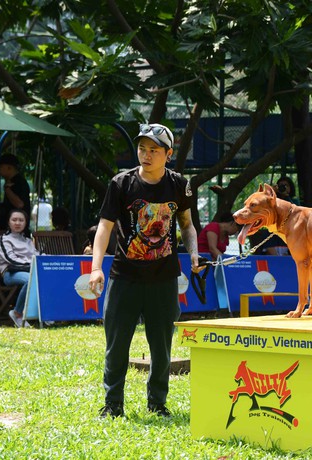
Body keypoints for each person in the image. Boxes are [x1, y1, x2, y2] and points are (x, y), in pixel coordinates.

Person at [88, 123, 202, 419]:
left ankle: (157, 403)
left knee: (162, 348)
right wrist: (96, 267)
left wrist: (193, 253)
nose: (146, 155)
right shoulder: (121, 184)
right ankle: (113, 404)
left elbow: (187, 225)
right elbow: (104, 227)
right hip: (124, 277)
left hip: (164, 279)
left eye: (153, 150)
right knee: (116, 345)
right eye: (142, 148)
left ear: (168, 154)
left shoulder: (179, 184)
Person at [0, 209, 38, 328]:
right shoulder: (4, 239)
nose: (17, 223)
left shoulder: (28, 240)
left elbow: (37, 255)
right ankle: (17, 313)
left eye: (21, 220)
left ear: (25, 223)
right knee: (31, 280)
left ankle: (43, 313)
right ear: (8, 222)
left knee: (48, 275)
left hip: (30, 270)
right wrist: (31, 265)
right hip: (11, 273)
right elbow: (11, 259)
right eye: (14, 220)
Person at [0, 154, 31, 232]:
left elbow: (19, 204)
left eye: (1, 167)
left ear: (9, 167)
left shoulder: (19, 182)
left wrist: (7, 189)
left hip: (17, 232)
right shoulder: (11, 181)